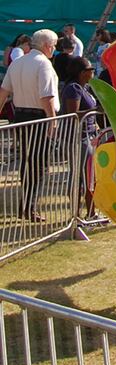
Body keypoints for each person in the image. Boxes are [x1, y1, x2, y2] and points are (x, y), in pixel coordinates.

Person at [0, 29, 60, 222]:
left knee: (28, 162)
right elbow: (47, 97)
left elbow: (3, 92)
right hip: (39, 118)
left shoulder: (17, 63)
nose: (54, 49)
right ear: (46, 46)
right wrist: (52, 121)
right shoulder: (44, 65)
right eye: (54, 45)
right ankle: (29, 207)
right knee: (39, 164)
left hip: (21, 117)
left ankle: (26, 206)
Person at [61, 57, 97, 217]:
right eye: (91, 70)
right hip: (77, 138)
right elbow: (72, 113)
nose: (93, 72)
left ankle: (91, 213)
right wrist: (96, 110)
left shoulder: (85, 88)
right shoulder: (73, 88)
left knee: (89, 175)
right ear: (83, 73)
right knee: (81, 177)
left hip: (89, 135)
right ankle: (76, 215)